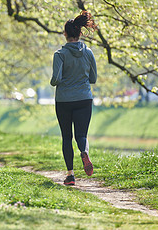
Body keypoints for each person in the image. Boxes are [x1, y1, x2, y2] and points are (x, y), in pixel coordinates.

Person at [50, 10, 97, 186]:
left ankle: (70, 175)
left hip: (64, 101)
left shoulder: (59, 55)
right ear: (79, 33)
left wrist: (54, 81)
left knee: (66, 137)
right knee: (81, 135)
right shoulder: (89, 53)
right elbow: (93, 79)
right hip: (84, 99)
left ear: (65, 34)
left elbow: (56, 79)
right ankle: (84, 152)